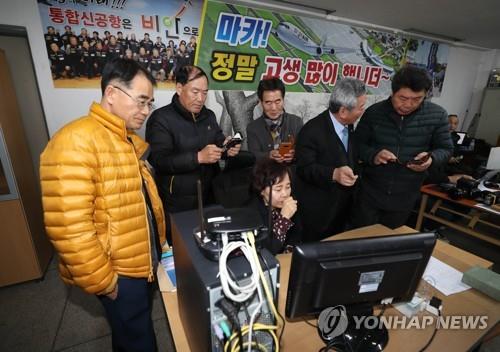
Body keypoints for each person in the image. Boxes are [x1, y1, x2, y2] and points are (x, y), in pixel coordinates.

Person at [40, 58, 166, 351]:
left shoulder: (124, 139)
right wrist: (104, 281)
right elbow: (69, 229)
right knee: (138, 338)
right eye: (141, 101)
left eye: (150, 103)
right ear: (111, 94)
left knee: (131, 331)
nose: (146, 111)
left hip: (139, 261)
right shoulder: (75, 141)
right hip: (119, 271)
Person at [352, 65, 453, 229]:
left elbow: (446, 149)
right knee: (358, 237)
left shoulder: (437, 115)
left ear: (425, 95)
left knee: (389, 241)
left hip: (406, 193)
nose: (408, 104)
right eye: (403, 98)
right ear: (392, 92)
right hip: (370, 192)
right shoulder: (374, 113)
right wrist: (374, 155)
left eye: (417, 99)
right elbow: (356, 145)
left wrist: (431, 159)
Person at [146, 65, 241, 221]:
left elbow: (218, 138)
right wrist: (197, 157)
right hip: (177, 202)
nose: (200, 99)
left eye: (204, 93)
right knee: (182, 243)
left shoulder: (208, 115)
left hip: (209, 196)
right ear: (179, 88)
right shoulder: (161, 119)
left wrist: (227, 145)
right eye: (195, 92)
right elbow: (158, 160)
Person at [295, 78, 367, 241]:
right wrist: (333, 174)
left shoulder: (349, 125)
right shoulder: (311, 131)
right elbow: (303, 168)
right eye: (361, 107)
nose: (362, 111)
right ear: (343, 111)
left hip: (342, 211)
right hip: (318, 215)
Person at [250, 158, 301, 254]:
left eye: (288, 187)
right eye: (278, 189)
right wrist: (283, 219)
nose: (285, 194)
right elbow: (267, 250)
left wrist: (289, 249)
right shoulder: (251, 213)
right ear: (261, 189)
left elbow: (296, 235)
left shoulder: (288, 203)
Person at [247, 77, 303, 162]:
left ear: (283, 100)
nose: (273, 108)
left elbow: (305, 152)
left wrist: (294, 155)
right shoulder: (253, 128)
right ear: (261, 102)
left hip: (291, 172)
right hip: (265, 173)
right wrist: (268, 155)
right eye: (268, 102)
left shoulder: (296, 122)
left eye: (278, 102)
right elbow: (253, 156)